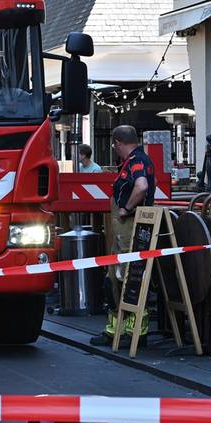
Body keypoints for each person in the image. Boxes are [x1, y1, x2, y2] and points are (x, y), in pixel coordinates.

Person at [90, 125, 156, 347]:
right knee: (115, 277)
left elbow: (141, 186)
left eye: (114, 145)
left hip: (131, 229)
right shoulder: (131, 162)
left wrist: (126, 208)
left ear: (118, 143)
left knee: (129, 277)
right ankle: (115, 330)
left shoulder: (137, 161)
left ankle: (134, 330)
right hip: (123, 233)